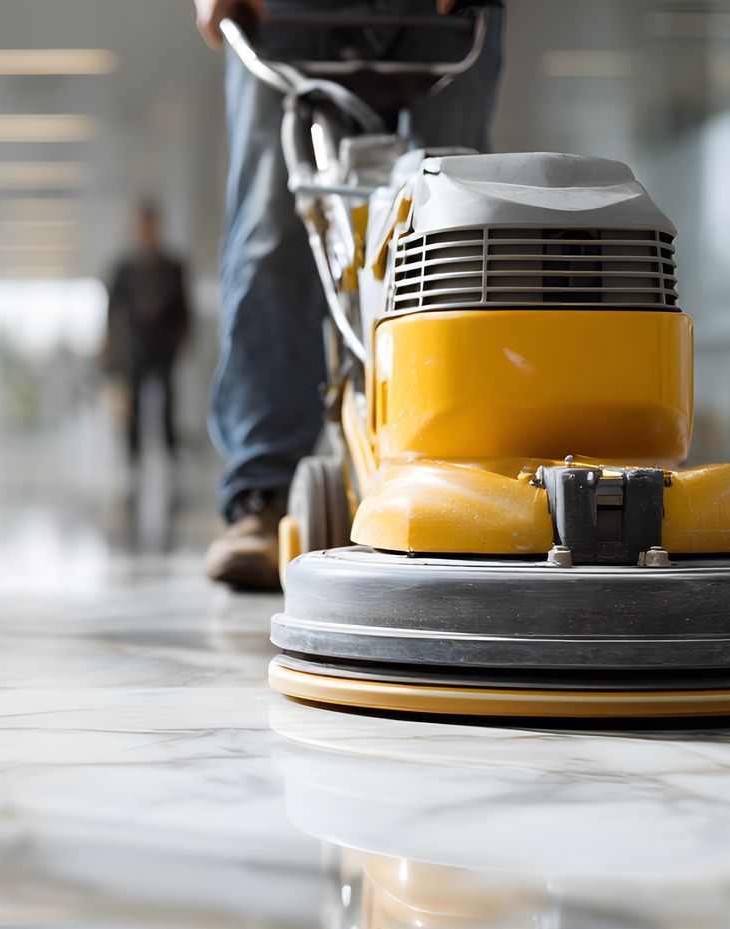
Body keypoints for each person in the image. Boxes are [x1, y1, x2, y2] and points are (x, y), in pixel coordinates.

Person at [193, 0, 506, 590]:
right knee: (274, 235)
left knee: (453, 229)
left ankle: (457, 477)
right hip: (280, 17)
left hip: (446, 21)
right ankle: (262, 499)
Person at [106, 202, 192, 471]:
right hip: (136, 346)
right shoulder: (125, 268)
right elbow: (113, 309)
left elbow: (183, 307)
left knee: (167, 398)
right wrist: (111, 342)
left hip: (164, 345)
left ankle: (169, 450)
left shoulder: (173, 266)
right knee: (135, 401)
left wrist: (183, 335)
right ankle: (133, 454)